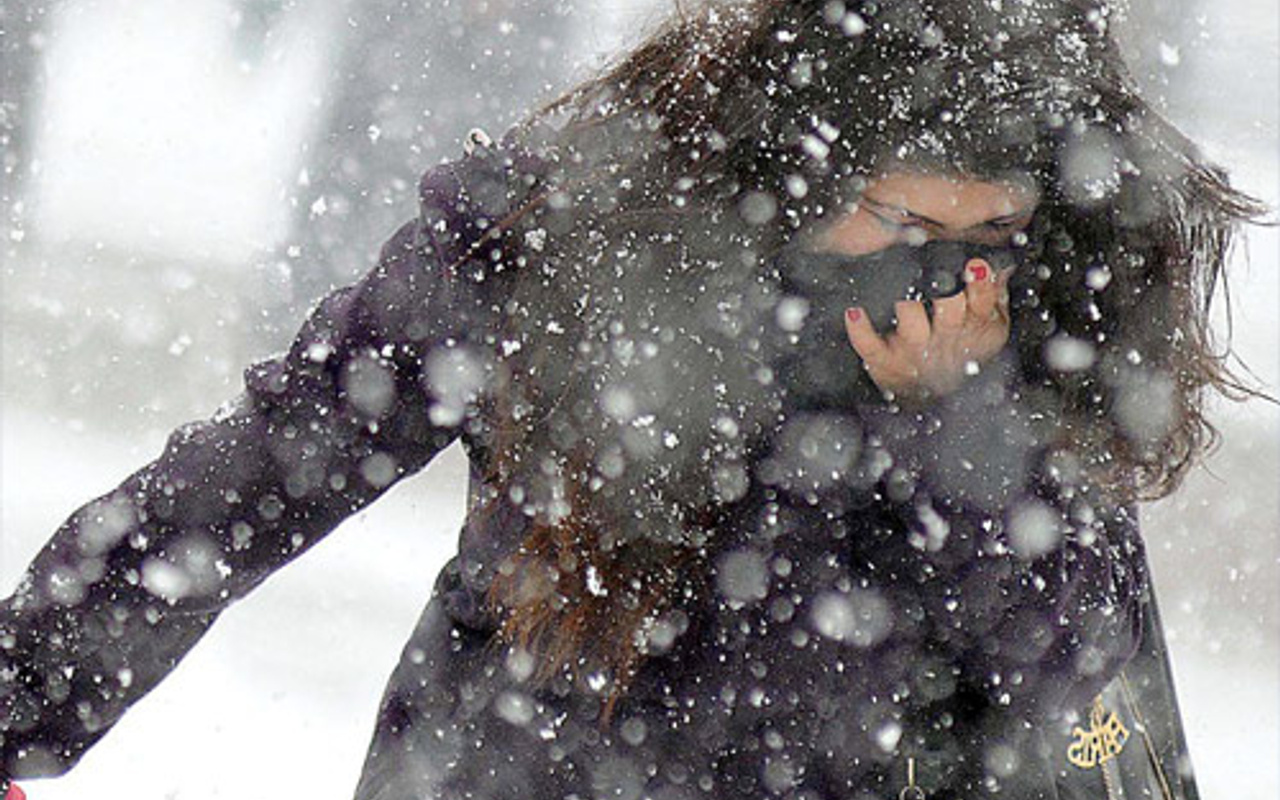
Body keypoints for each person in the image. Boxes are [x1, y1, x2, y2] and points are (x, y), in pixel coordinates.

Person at [0, 0, 1264, 798]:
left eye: (989, 233)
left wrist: (954, 435)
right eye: (898, 224)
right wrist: (23, 699)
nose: (945, 274)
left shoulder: (1038, 330)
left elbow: (1069, 678)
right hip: (533, 757)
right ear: (800, 161)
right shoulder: (566, 240)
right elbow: (265, 471)